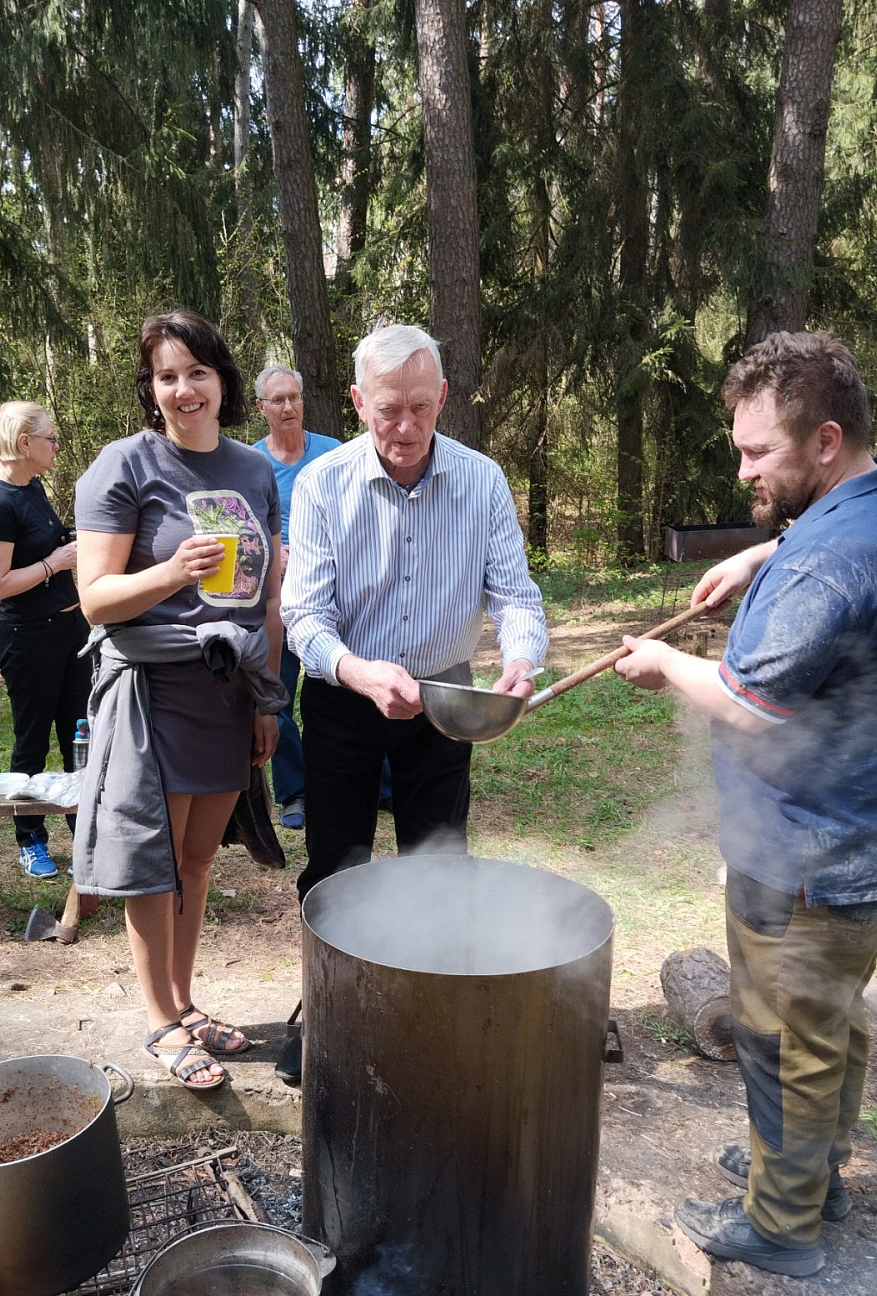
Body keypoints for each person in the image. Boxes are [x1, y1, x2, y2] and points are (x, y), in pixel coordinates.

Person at [614, 330, 877, 1277]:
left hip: (817, 851)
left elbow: (753, 708)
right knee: (825, 1023)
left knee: (779, 1035)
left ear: (826, 440)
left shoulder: (830, 562)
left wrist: (666, 662)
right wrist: (763, 556)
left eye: (759, 452)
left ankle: (781, 1222)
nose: (741, 467)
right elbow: (841, 569)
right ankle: (808, 1170)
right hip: (875, 834)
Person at [73, 310, 286, 1093]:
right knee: (152, 864)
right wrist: (171, 574)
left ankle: (187, 1002)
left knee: (198, 860)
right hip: (152, 689)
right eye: (167, 375)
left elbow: (265, 598)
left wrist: (267, 697)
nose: (184, 388)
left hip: (230, 691)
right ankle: (161, 1019)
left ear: (222, 381)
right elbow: (95, 599)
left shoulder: (253, 470)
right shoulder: (122, 465)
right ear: (151, 388)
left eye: (197, 372)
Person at [281, 321, 549, 902]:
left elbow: (515, 596)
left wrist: (522, 659)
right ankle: (331, 994)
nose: (407, 428)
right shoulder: (321, 485)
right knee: (333, 871)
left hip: (446, 704)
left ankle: (430, 989)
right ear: (358, 403)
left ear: (443, 397)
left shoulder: (483, 481)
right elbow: (303, 617)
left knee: (441, 870)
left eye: (421, 408)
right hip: (344, 698)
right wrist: (359, 672)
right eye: (389, 410)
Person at [0, 402, 90, 878]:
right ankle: (31, 840)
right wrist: (54, 564)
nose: (57, 446)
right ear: (25, 444)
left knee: (80, 735)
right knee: (32, 744)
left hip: (70, 629)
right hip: (28, 638)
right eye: (50, 438)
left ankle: (86, 837)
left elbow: (49, 540)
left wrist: (83, 539)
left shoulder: (33, 487)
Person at [252, 363, 341, 829]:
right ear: (261, 407)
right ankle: (295, 793)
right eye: (278, 399)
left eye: (294, 397)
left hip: (333, 593)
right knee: (279, 692)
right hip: (275, 598)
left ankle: (371, 783)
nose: (288, 407)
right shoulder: (250, 464)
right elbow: (240, 537)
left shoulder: (332, 454)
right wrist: (272, 552)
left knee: (344, 688)